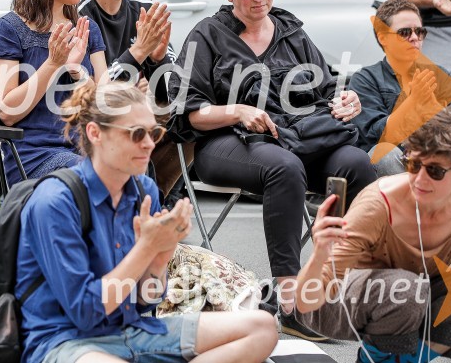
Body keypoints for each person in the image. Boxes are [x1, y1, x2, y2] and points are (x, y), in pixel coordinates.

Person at [167, 0, 376, 341]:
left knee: (355, 163)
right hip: (226, 143)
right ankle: (289, 301)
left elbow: (327, 92)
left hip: (297, 137)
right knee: (284, 167)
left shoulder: (292, 33)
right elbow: (189, 113)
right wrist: (237, 111)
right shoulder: (207, 35)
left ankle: (340, 285)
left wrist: (346, 101)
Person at [17, 80, 279, 363]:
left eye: (154, 132)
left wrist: (159, 260)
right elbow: (85, 312)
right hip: (64, 341)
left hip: (129, 331)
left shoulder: (144, 191)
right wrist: (146, 248)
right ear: (95, 133)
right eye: (136, 133)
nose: (149, 144)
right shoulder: (56, 201)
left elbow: (146, 302)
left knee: (262, 328)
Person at [295, 107, 451, 363]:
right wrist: (320, 254)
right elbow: (307, 303)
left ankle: (398, 360)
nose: (419, 179)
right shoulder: (377, 205)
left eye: (435, 171)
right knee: (407, 289)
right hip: (341, 301)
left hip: (412, 300)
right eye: (413, 164)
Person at [0, 0, 107, 188]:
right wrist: (53, 64)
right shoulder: (7, 31)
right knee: (92, 173)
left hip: (87, 146)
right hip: (32, 155)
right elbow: (7, 112)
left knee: (136, 170)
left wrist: (76, 71)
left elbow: (104, 105)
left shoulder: (86, 28)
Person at [79, 0, 187, 199]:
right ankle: (141, 205)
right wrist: (137, 53)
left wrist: (158, 59)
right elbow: (91, 97)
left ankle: (157, 202)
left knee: (193, 113)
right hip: (95, 127)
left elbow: (172, 92)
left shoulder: (143, 6)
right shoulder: (78, 11)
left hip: (140, 114)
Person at [350, 0, 451, 177]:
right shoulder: (365, 79)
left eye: (419, 31)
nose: (414, 38)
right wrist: (413, 102)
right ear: (383, 38)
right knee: (384, 154)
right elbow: (376, 138)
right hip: (400, 166)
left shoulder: (440, 75)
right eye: (404, 32)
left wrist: (435, 110)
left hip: (444, 162)